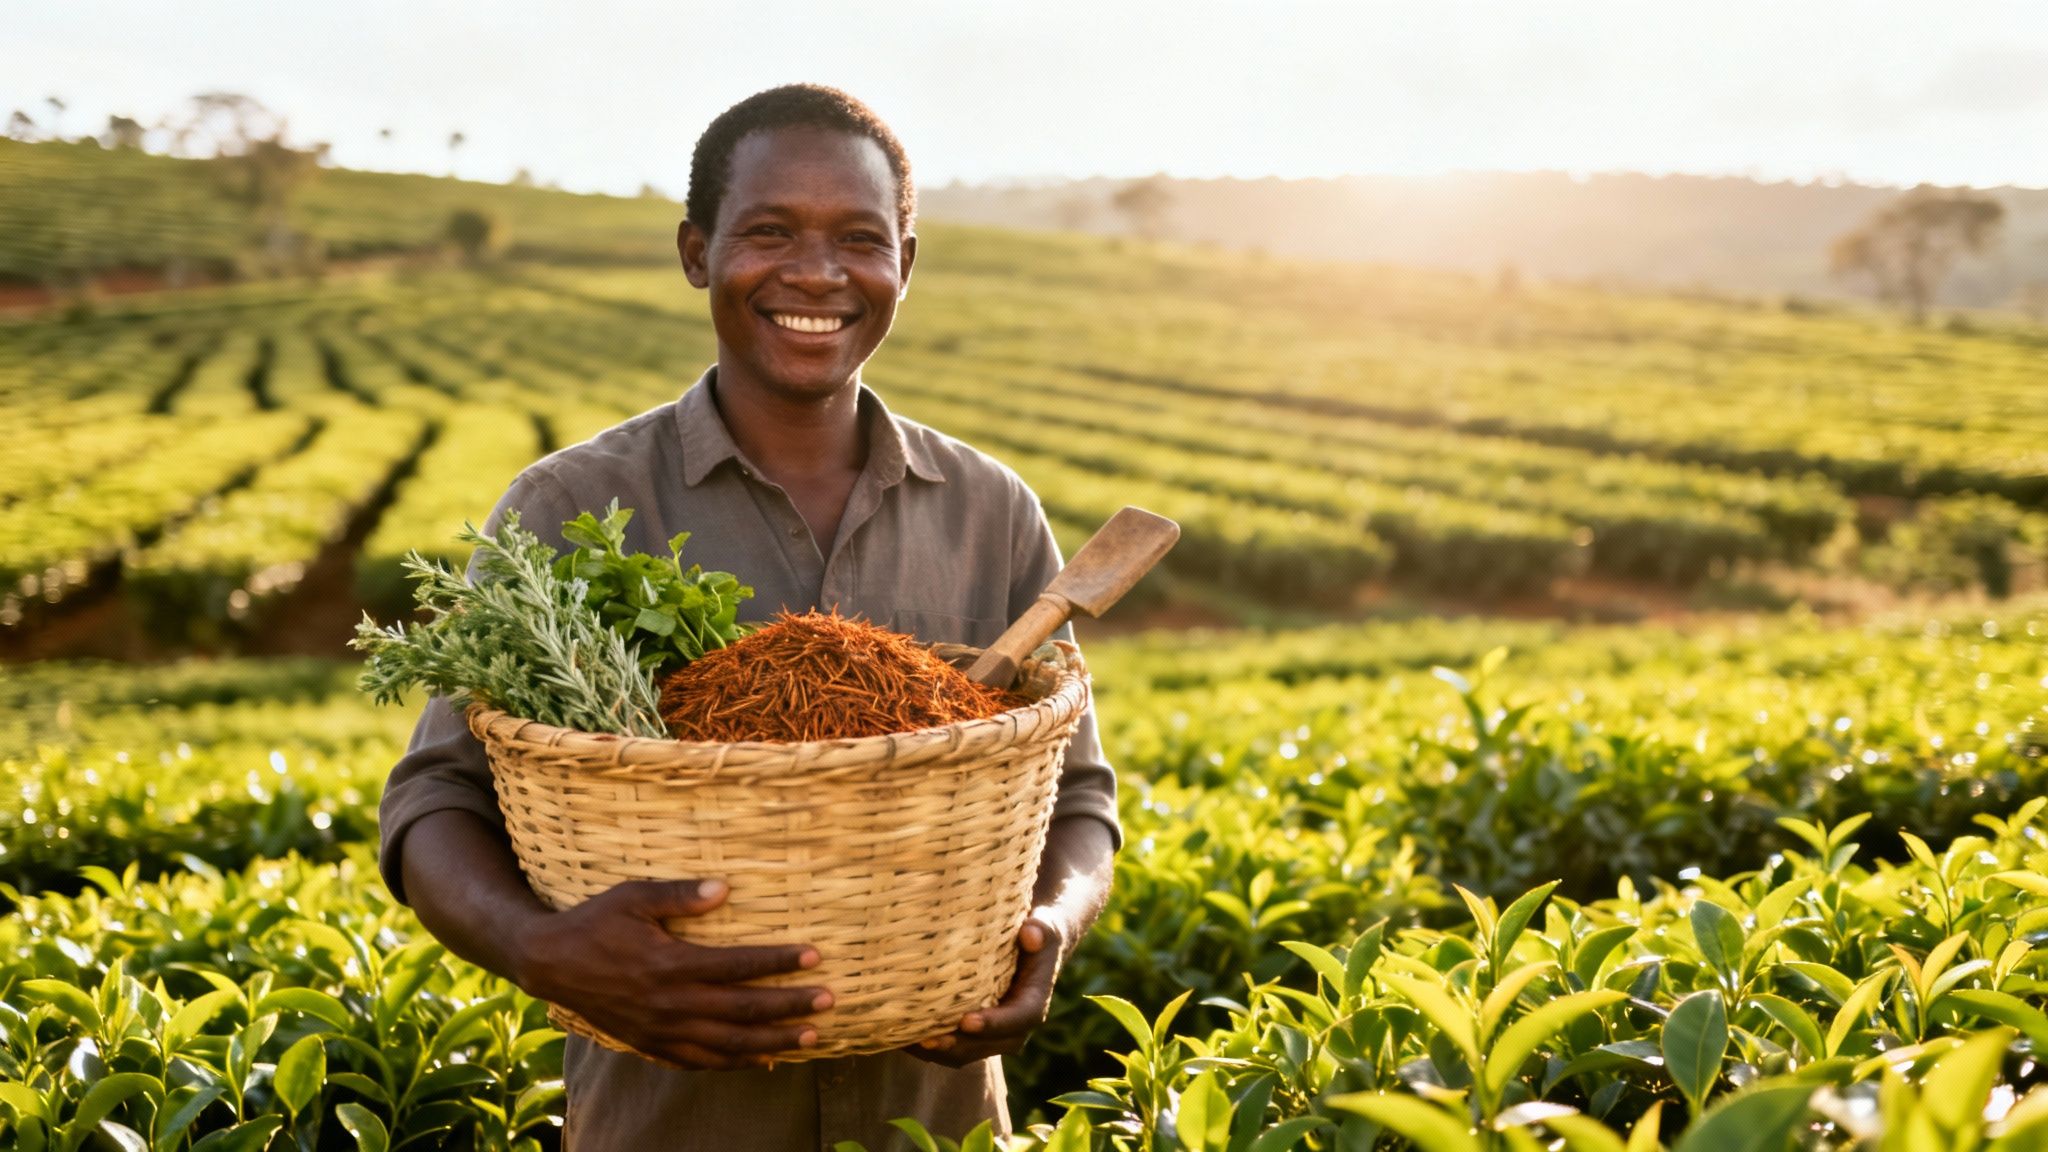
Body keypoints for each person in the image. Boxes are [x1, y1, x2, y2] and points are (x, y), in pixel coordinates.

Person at [376, 84, 1122, 1151]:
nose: (816, 274)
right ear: (696, 252)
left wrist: (1052, 922)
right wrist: (542, 951)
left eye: (859, 239)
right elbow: (433, 800)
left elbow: (1077, 796)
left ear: (904, 263)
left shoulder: (988, 511)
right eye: (769, 232)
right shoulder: (573, 508)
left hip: (932, 1120)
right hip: (669, 1119)